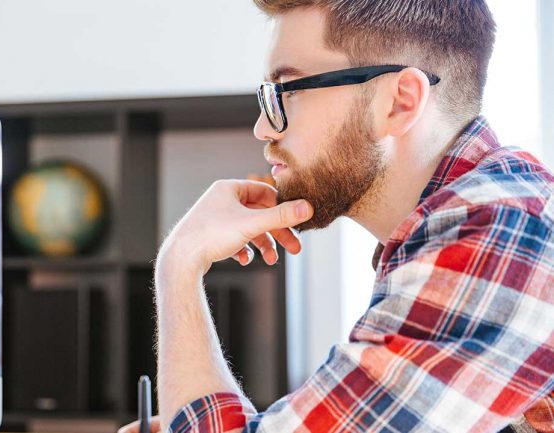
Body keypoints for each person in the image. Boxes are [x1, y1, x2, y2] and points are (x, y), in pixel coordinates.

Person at [119, 1, 554, 432]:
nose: (264, 128)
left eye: (289, 91)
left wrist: (179, 264)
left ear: (399, 102)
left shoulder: (497, 232)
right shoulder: (476, 222)